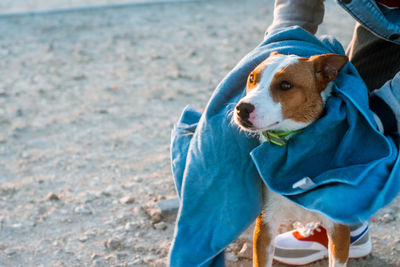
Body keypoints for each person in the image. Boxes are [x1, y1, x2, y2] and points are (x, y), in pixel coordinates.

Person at [169, 0, 400, 266]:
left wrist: (383, 112)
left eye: (285, 86)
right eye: (254, 80)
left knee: (373, 128)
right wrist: (284, 36)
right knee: (365, 87)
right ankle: (354, 230)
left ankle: (341, 213)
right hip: (379, 20)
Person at [269, 0, 399, 265]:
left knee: (377, 120)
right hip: (382, 22)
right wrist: (279, 48)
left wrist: (383, 111)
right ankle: (347, 227)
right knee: (351, 99)